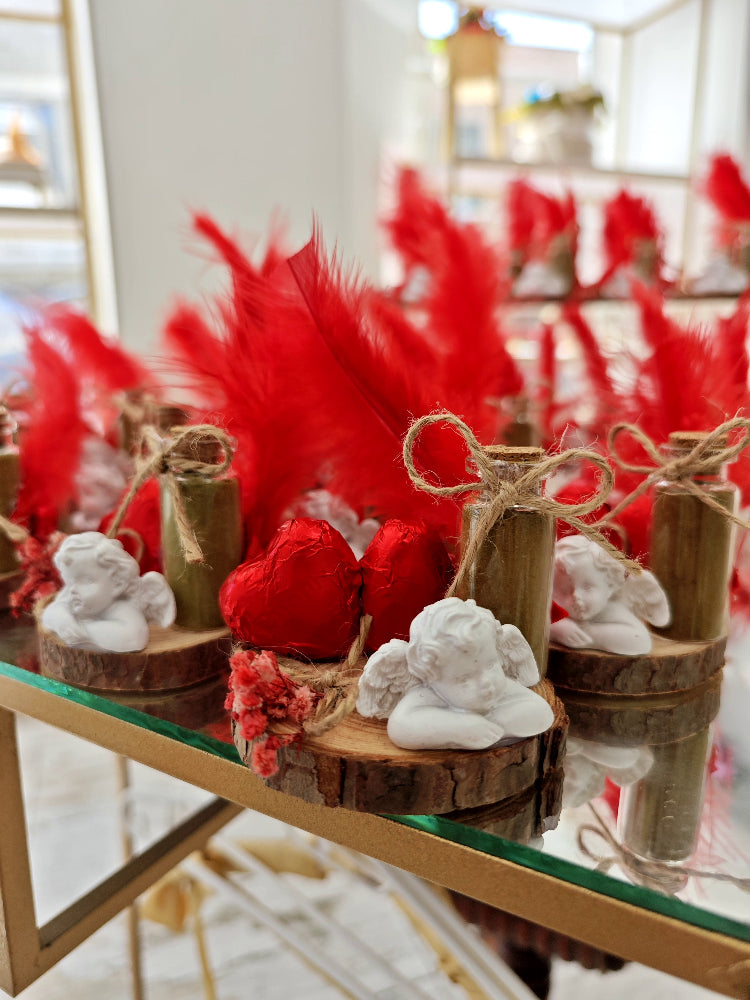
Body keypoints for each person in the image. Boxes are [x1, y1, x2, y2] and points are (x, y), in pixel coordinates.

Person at [357, 597, 553, 751]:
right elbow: (400, 726)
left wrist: (493, 722)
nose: (485, 682)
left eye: (491, 665)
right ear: (430, 676)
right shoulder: (428, 693)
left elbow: (541, 711)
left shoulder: (498, 685)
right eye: (464, 679)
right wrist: (458, 728)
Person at [42, 532, 175, 653]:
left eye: (85, 580)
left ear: (117, 583)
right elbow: (50, 612)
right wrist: (62, 620)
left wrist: (82, 629)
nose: (72, 589)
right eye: (69, 580)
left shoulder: (123, 608)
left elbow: (134, 638)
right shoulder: (73, 593)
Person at [550, 535, 669, 655]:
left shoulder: (612, 609)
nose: (576, 597)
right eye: (564, 591)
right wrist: (557, 629)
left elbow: (640, 641)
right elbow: (541, 622)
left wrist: (586, 634)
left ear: (610, 585)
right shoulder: (553, 608)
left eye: (587, 587)